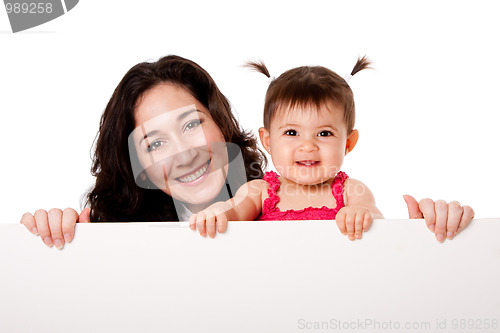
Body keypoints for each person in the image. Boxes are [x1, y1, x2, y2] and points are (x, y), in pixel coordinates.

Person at [189, 56, 475, 241]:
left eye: (324, 133)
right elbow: (234, 211)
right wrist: (218, 214)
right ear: (267, 141)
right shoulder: (261, 192)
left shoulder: (352, 191)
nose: (308, 145)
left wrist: (361, 215)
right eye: (291, 132)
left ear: (348, 143)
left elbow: (376, 221)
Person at [20, 55, 267, 249]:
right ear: (138, 168)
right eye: (156, 144)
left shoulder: (288, 203)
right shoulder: (116, 241)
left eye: (191, 125)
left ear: (221, 125)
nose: (184, 155)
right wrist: (59, 241)